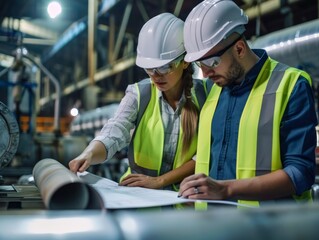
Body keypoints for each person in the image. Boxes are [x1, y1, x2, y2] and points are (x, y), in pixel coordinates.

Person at [178, 0, 318, 207]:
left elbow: (300, 173)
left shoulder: (291, 85)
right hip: (211, 225)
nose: (206, 73)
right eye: (200, 64)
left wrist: (227, 189)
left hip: (267, 228)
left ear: (240, 49)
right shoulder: (213, 91)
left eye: (211, 62)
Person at [69, 13, 209, 191]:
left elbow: (204, 155)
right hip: (138, 195)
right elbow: (115, 130)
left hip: (185, 198)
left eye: (165, 67)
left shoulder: (205, 95)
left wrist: (160, 181)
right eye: (149, 68)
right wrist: (88, 154)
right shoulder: (139, 94)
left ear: (185, 62)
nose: (155, 76)